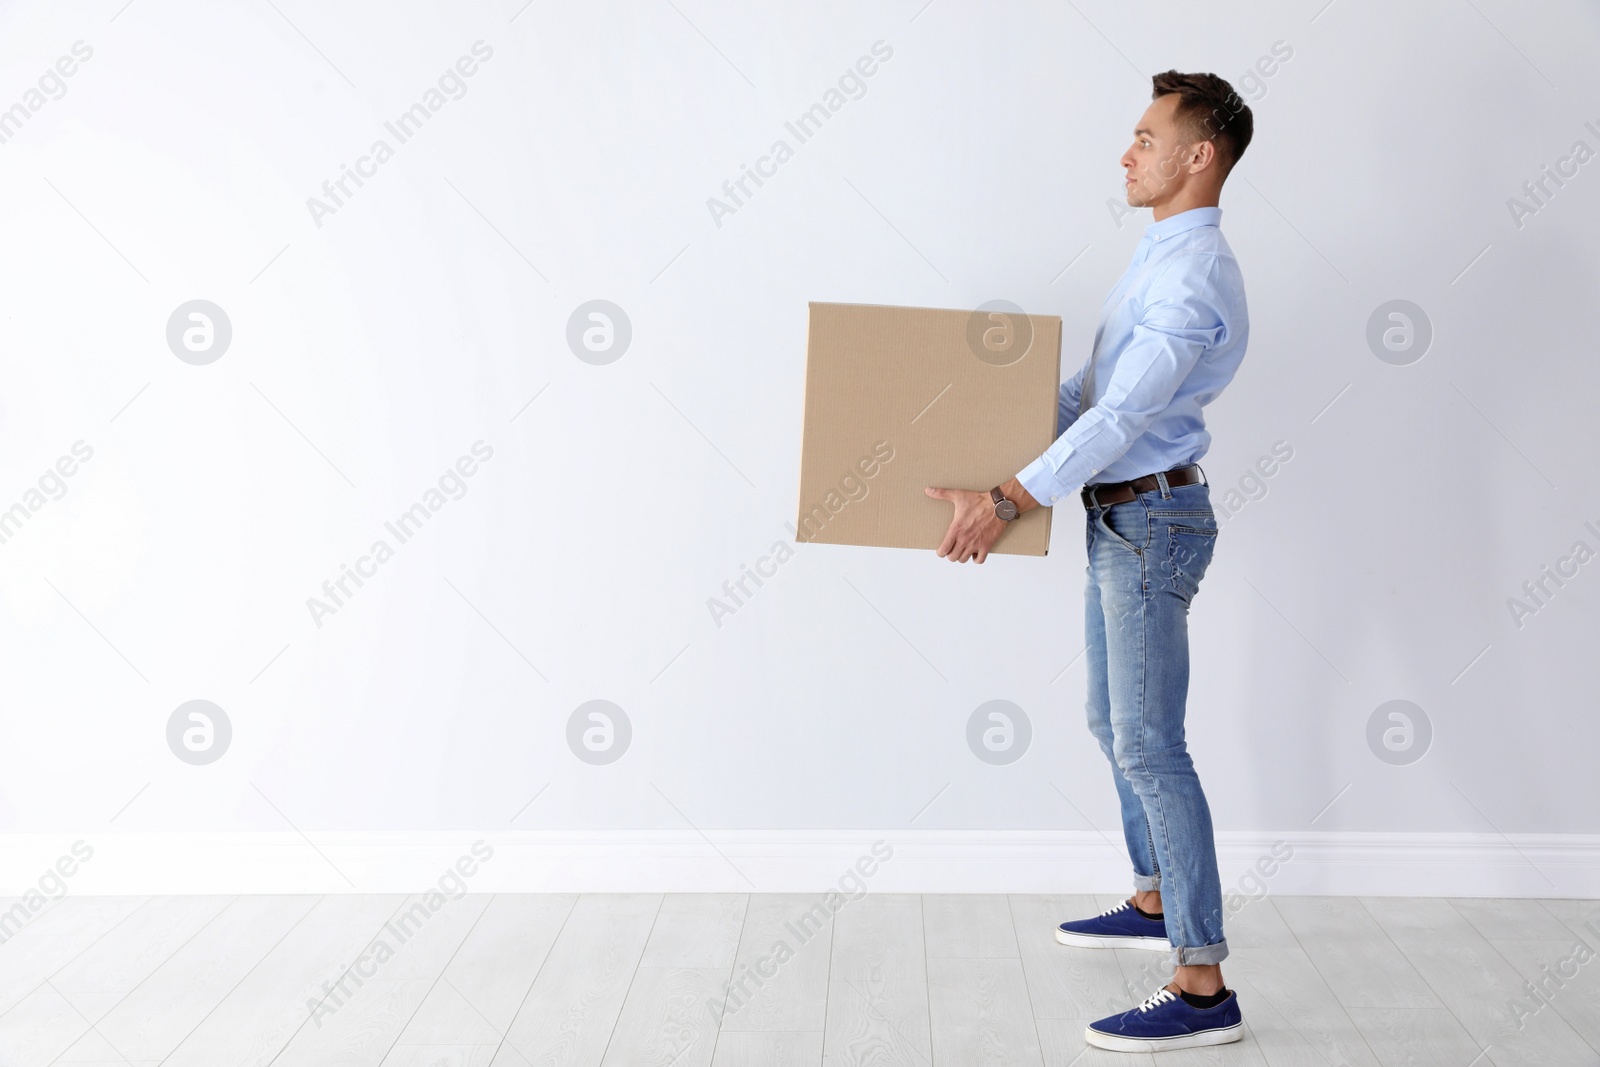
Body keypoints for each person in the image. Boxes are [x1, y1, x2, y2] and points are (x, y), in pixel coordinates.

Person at [925, 69, 1253, 1053]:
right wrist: (975, 443)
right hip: (1120, 521)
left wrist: (1010, 497)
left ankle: (1201, 983)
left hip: (1153, 523)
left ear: (1199, 156)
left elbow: (1123, 417)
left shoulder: (1194, 274)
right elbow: (1089, 389)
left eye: (1146, 137)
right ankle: (1154, 896)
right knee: (1111, 722)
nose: (1127, 153)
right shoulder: (1158, 256)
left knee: (1151, 742)